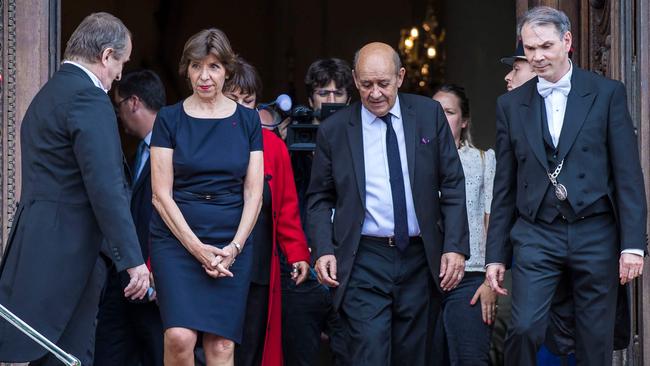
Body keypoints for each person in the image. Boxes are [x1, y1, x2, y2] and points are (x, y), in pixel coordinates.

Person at [486, 6, 647, 366]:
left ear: (567, 41)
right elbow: (504, 187)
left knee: (594, 341)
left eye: (545, 46)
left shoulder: (607, 94)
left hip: (595, 232)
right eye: (529, 49)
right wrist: (495, 255)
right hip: (536, 234)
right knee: (524, 327)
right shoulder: (509, 106)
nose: (537, 57)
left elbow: (628, 176)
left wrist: (633, 245)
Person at [0, 12, 150, 365]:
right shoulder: (88, 98)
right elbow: (106, 187)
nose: (120, 75)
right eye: (121, 63)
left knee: (48, 356)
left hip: (37, 249)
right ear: (106, 55)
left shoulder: (48, 94)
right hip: (72, 254)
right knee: (70, 356)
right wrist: (132, 260)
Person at [306, 42, 469, 365]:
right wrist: (324, 248)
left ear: (401, 77)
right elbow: (320, 198)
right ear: (354, 79)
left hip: (419, 257)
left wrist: (454, 246)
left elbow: (451, 183)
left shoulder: (427, 115)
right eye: (367, 84)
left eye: (383, 83)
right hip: (365, 257)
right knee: (369, 352)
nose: (375, 93)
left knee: (413, 355)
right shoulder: (334, 130)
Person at [149, 29, 263, 366]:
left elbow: (254, 192)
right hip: (177, 241)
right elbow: (159, 195)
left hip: (232, 239)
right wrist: (198, 250)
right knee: (180, 337)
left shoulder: (248, 120)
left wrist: (234, 248)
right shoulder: (169, 119)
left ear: (227, 70)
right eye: (196, 66)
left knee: (221, 345)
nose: (204, 76)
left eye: (213, 67)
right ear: (186, 70)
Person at [222, 56, 312, 366]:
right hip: (210, 260)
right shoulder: (199, 139)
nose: (241, 108)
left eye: (248, 101)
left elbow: (286, 206)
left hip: (257, 266)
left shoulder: (273, 146)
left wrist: (297, 252)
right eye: (232, 99)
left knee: (251, 349)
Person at [283, 58, 354, 366]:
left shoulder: (359, 141)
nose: (330, 101)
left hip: (348, 269)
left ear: (349, 98)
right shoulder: (294, 139)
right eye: (323, 93)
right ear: (310, 98)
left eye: (338, 94)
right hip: (303, 269)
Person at [95, 69, 167, 366]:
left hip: (157, 284)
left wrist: (157, 274)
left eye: (119, 105)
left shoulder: (175, 145)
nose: (118, 115)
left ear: (133, 102)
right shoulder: (138, 149)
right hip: (124, 279)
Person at [432, 84, 496, 365]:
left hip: (470, 279)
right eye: (435, 111)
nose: (440, 118)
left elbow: (490, 222)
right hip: (424, 280)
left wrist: (491, 283)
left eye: (448, 112)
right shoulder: (411, 161)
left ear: (464, 120)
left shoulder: (483, 160)